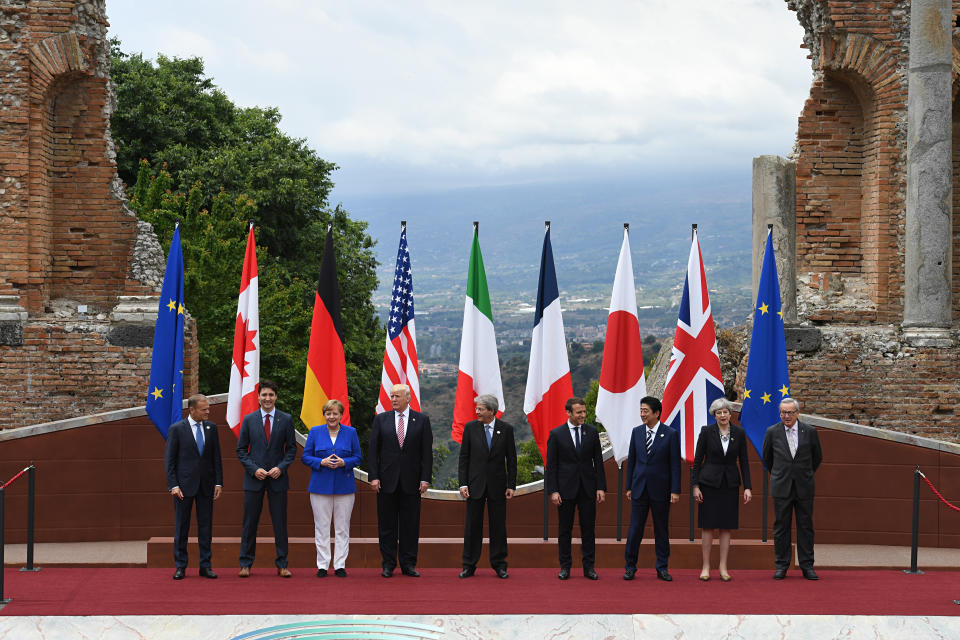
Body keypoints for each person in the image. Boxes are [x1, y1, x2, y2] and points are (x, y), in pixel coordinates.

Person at [368, 383, 433, 577]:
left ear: (408, 398)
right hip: (386, 482)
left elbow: (426, 453)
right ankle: (388, 564)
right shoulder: (381, 420)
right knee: (387, 525)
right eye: (392, 396)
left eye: (397, 396)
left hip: (411, 482)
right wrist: (374, 476)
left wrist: (425, 478)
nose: (393, 399)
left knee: (410, 525)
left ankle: (408, 564)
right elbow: (373, 451)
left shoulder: (421, 420)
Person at [236, 380, 297, 578]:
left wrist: (281, 468)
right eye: (264, 395)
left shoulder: (286, 419)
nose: (267, 398)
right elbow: (241, 450)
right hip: (254, 480)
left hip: (278, 480)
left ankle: (282, 565)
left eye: (271, 395)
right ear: (259, 397)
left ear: (276, 397)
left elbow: (292, 450)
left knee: (280, 523)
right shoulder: (248, 419)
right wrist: (254, 470)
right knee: (249, 523)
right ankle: (245, 564)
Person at [691, 397, 752, 581]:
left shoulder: (739, 433)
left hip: (730, 484)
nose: (723, 415)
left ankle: (723, 566)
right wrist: (695, 486)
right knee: (708, 526)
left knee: (726, 527)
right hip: (708, 484)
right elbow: (697, 461)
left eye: (725, 412)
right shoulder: (706, 432)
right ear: (714, 415)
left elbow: (744, 462)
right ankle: (706, 566)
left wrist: (747, 487)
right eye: (719, 412)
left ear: (730, 413)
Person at [546, 397, 606, 580]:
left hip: (587, 489)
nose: (582, 415)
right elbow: (552, 466)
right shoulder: (556, 434)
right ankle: (565, 567)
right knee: (565, 530)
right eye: (578, 412)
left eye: (584, 412)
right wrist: (553, 490)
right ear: (569, 413)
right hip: (565, 490)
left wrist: (600, 487)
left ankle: (589, 568)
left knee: (588, 529)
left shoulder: (592, 432)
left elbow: (598, 462)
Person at [762, 397, 823, 581]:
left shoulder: (810, 432)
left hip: (804, 487)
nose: (786, 416)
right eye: (783, 412)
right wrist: (782, 474)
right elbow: (767, 458)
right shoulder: (772, 432)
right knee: (781, 527)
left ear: (797, 413)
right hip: (782, 487)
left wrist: (803, 473)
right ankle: (781, 565)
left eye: (790, 412)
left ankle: (807, 566)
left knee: (805, 527)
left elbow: (817, 457)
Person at [457, 394, 517, 579]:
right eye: (477, 409)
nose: (477, 412)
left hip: (498, 486)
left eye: (480, 409)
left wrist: (511, 485)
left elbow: (512, 460)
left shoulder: (505, 429)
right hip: (475, 485)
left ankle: (499, 565)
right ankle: (469, 565)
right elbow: (464, 458)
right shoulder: (470, 428)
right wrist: (463, 483)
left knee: (498, 527)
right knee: (472, 527)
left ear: (492, 411)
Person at [164, 393, 223, 580]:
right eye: (204, 409)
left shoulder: (211, 428)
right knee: (182, 527)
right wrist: (173, 485)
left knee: (206, 527)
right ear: (192, 409)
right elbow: (170, 461)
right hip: (183, 487)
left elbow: (216, 458)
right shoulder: (177, 429)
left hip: (206, 486)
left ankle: (205, 566)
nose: (208, 412)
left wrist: (218, 482)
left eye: (208, 408)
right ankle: (181, 566)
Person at [302, 398, 362, 578]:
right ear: (324, 415)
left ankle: (339, 565)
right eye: (328, 413)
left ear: (341, 415)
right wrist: (321, 461)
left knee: (342, 528)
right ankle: (322, 565)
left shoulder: (351, 432)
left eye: (335, 413)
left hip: (344, 486)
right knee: (321, 527)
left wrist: (345, 462)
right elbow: (306, 457)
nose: (331, 416)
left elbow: (358, 457)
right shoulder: (315, 432)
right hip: (320, 486)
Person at [624, 396, 681, 581]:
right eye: (641, 410)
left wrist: (675, 490)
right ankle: (630, 567)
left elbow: (674, 465)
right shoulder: (636, 432)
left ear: (656, 413)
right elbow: (632, 461)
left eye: (646, 411)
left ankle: (662, 567)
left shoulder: (670, 434)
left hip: (661, 490)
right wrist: (629, 487)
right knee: (635, 530)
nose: (642, 414)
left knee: (661, 529)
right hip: (639, 488)